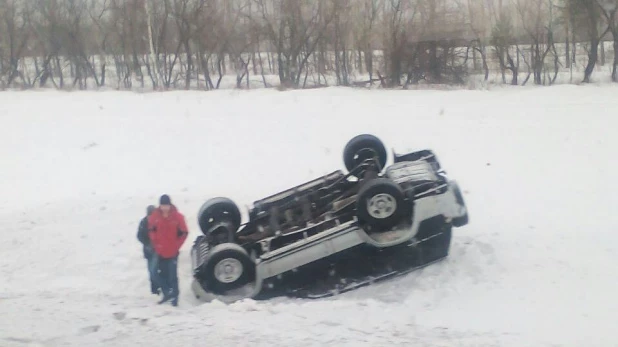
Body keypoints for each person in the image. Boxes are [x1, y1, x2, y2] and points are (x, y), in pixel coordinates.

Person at [148, 194, 189, 306]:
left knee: (173, 276)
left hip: (173, 251)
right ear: (160, 205)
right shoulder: (155, 216)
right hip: (159, 251)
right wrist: (156, 243)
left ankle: (175, 297)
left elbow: (184, 232)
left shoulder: (178, 217)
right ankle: (167, 292)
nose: (164, 208)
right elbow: (151, 230)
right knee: (155, 272)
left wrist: (177, 245)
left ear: (170, 205)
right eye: (162, 205)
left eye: (166, 205)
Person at [137, 205, 159, 294]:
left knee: (155, 269)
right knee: (151, 271)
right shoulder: (144, 222)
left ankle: (159, 288)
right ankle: (154, 290)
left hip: (158, 251)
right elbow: (139, 235)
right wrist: (147, 244)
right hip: (148, 251)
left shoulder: (159, 222)